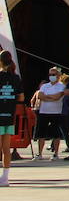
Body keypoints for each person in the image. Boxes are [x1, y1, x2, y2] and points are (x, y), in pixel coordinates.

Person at [32, 67, 66, 160]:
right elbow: (40, 96)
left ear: (58, 76)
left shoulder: (61, 86)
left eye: (54, 74)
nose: (52, 76)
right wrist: (51, 97)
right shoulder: (44, 86)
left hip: (56, 112)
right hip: (43, 112)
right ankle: (39, 154)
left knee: (56, 134)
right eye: (50, 75)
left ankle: (55, 153)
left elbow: (57, 97)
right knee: (41, 133)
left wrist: (47, 97)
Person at [0, 50, 23, 186]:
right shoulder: (16, 78)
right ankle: (5, 177)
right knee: (6, 148)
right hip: (9, 115)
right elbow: (21, 97)